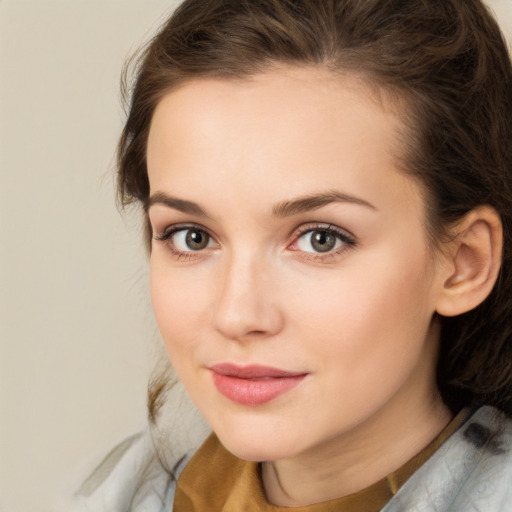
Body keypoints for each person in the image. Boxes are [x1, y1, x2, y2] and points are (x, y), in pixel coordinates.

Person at [73, 0, 512, 510]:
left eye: (320, 239)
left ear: (464, 263)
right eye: (192, 236)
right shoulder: (113, 494)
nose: (237, 315)